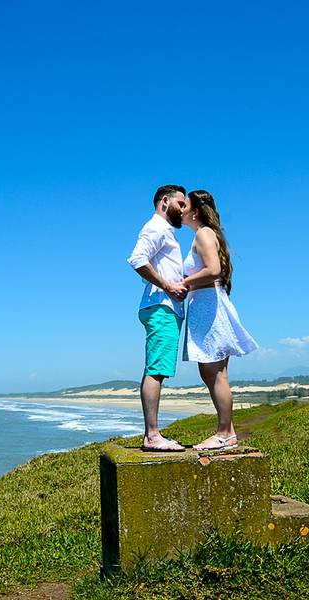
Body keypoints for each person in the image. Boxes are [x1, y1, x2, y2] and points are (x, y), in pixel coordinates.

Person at [180, 190, 258, 450]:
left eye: (184, 205)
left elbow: (214, 270)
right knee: (215, 372)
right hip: (208, 302)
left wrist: (183, 282)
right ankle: (229, 432)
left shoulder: (203, 233)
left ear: (195, 211)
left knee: (213, 373)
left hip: (207, 304)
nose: (180, 210)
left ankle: (224, 433)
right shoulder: (206, 234)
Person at [127, 184, 189, 452]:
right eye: (181, 204)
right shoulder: (156, 227)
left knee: (156, 369)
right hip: (161, 306)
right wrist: (168, 286)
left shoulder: (164, 231)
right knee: (156, 370)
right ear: (165, 201)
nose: (184, 209)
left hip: (161, 307)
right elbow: (137, 259)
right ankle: (152, 436)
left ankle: (151, 434)